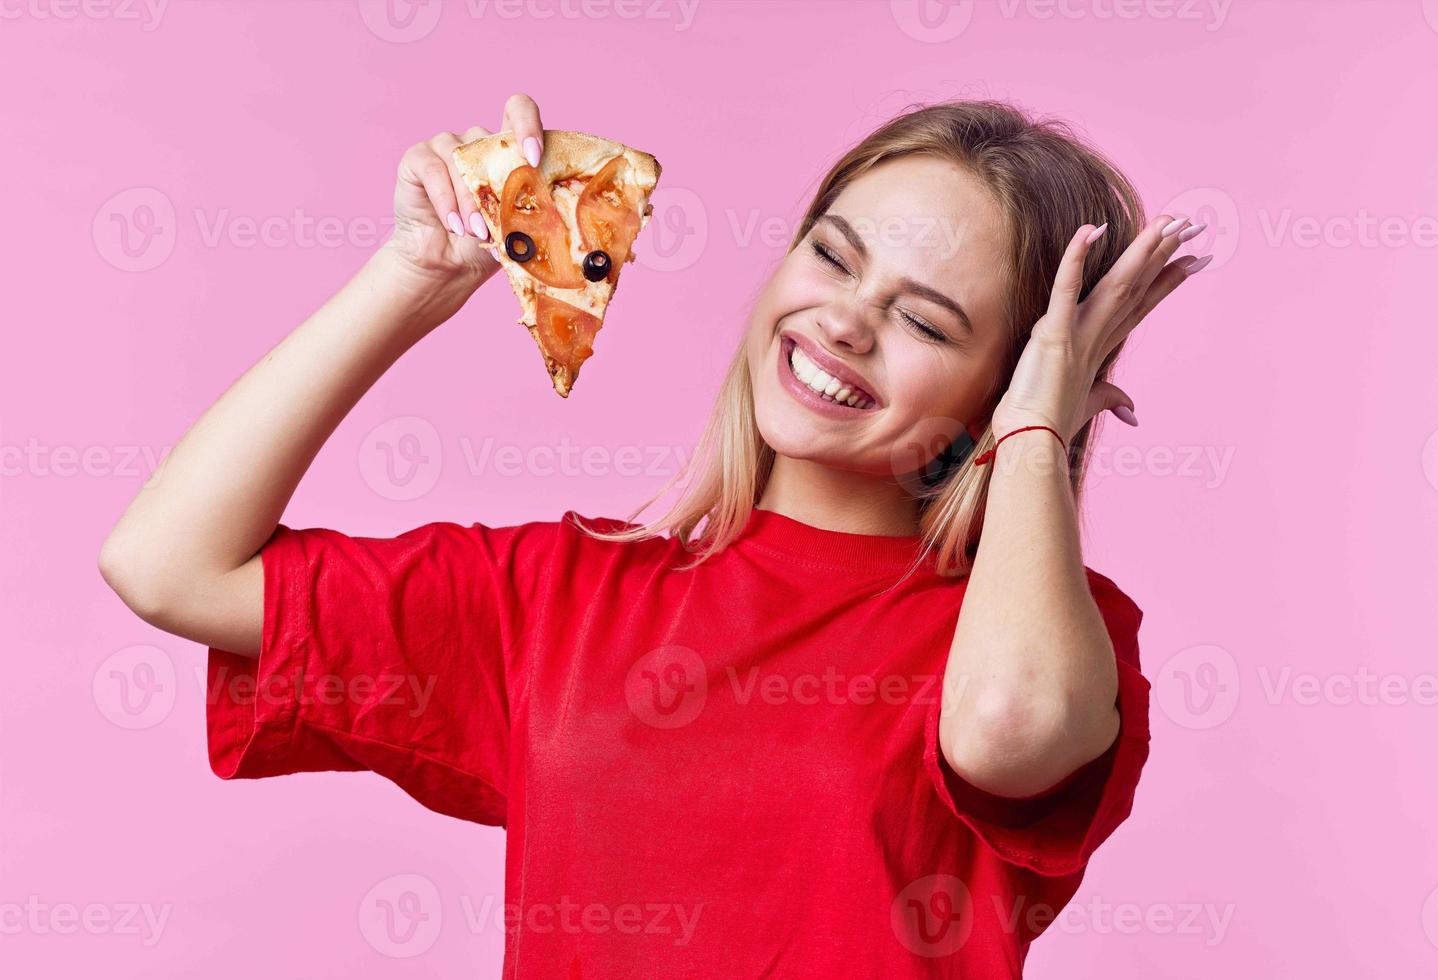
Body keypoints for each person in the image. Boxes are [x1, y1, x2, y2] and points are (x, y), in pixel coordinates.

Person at [100, 92, 1209, 977]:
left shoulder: (1042, 638)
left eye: (924, 319)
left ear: (1009, 379)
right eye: (831, 255)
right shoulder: (558, 593)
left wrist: (1034, 427)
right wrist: (411, 278)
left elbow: (1010, 728)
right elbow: (165, 564)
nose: (845, 320)